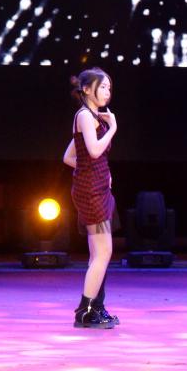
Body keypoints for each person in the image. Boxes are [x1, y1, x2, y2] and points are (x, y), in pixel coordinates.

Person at [63, 68, 119, 329]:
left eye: (109, 87)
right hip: (91, 192)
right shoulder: (85, 116)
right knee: (103, 252)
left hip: (97, 188)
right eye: (102, 87)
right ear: (86, 89)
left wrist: (96, 172)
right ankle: (84, 311)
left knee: (99, 253)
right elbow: (94, 151)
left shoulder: (93, 117)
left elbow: (70, 156)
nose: (107, 92)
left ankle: (95, 308)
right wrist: (113, 128)